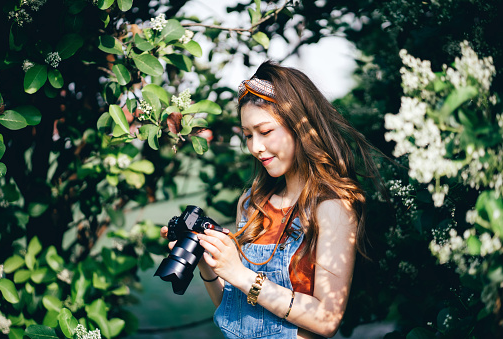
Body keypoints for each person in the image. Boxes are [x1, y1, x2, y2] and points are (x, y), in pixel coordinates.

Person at [161, 61, 383, 338]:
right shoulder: (251, 203)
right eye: (248, 135)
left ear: (300, 126)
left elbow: (327, 319)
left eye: (265, 132)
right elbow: (236, 309)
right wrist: (209, 261)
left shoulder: (332, 208)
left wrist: (241, 275)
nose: (255, 147)